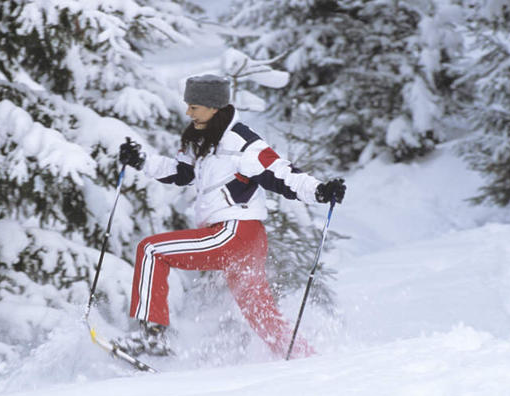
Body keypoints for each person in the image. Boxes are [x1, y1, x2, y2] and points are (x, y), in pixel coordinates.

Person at [115, 74, 345, 358]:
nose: (188, 112)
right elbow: (182, 173)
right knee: (259, 312)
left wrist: (320, 190)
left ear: (214, 107)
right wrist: (142, 161)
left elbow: (281, 173)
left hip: (235, 232)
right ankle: (305, 359)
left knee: (152, 250)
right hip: (243, 239)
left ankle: (151, 335)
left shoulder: (243, 143)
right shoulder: (202, 141)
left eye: (194, 107)